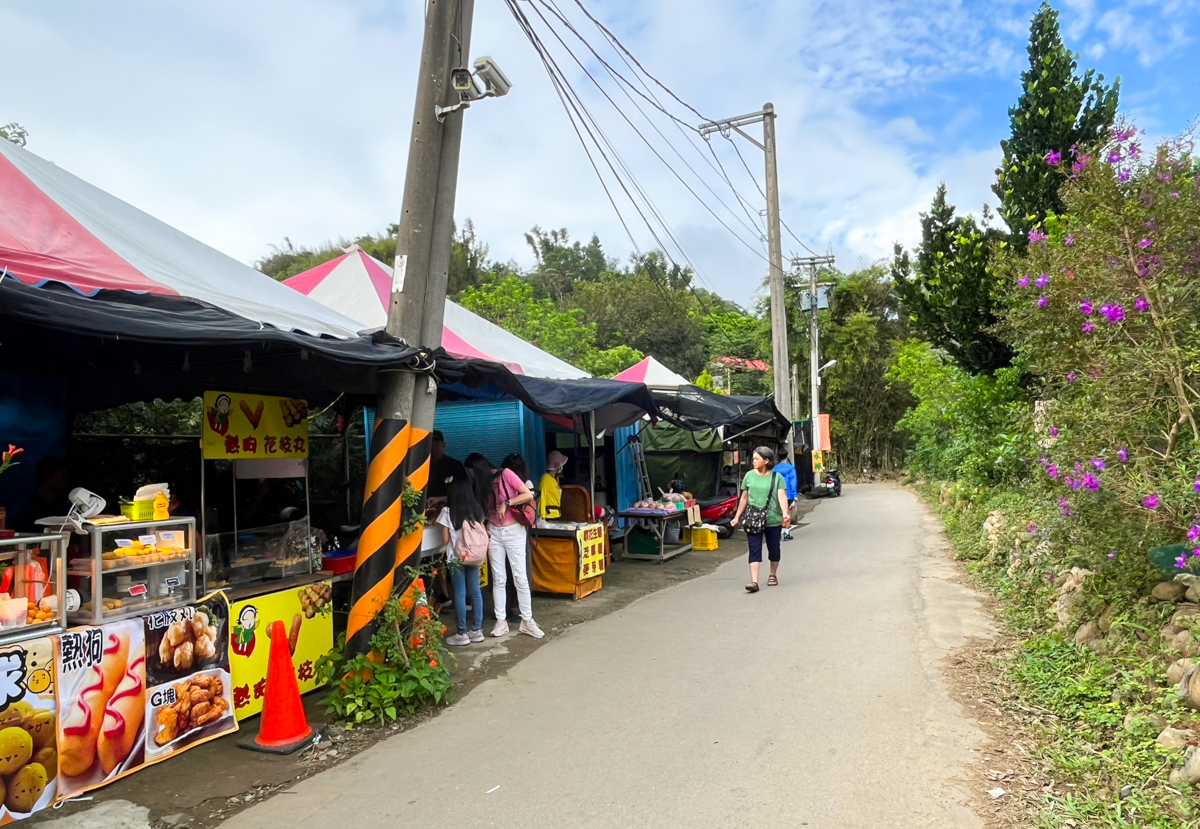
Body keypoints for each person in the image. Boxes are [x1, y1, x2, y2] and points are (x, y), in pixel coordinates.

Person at [464, 453, 544, 639]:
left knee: (520, 577)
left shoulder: (506, 474)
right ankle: (501, 622)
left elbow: (527, 494)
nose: (471, 476)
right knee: (499, 578)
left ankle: (527, 621)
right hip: (494, 532)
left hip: (514, 531)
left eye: (471, 472)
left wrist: (507, 503)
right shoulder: (481, 484)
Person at [730, 446, 790, 593]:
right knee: (754, 548)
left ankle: (773, 574)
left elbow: (782, 497)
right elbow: (743, 498)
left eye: (757, 459)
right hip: (753, 519)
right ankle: (754, 581)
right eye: (753, 458)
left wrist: (785, 513)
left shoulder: (777, 478)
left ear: (766, 460)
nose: (753, 461)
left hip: (773, 519)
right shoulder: (749, 476)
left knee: (774, 548)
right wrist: (737, 516)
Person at [437, 476, 487, 646]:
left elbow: (444, 540)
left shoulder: (448, 512)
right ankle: (477, 630)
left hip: (456, 558)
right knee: (475, 591)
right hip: (475, 555)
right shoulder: (476, 510)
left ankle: (461, 634)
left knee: (459, 593)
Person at [13, 457, 70, 532]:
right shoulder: (27, 507)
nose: (67, 479)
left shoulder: (64, 505)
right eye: (63, 476)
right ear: (48, 477)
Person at [428, 431, 466, 506]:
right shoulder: (422, 466)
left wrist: (440, 499)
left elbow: (463, 494)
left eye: (437, 444)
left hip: (448, 511)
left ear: (443, 445)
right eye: (431, 444)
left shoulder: (455, 466)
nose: (433, 447)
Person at [773, 445, 799, 534]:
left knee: (779, 513)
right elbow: (793, 482)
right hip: (788, 495)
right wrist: (795, 495)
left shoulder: (775, 469)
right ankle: (786, 533)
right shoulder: (791, 468)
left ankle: (779, 532)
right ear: (787, 456)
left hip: (777, 494)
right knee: (787, 512)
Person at [538, 450, 568, 522]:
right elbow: (542, 497)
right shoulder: (545, 478)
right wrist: (542, 517)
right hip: (548, 515)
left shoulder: (554, 479)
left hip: (556, 514)